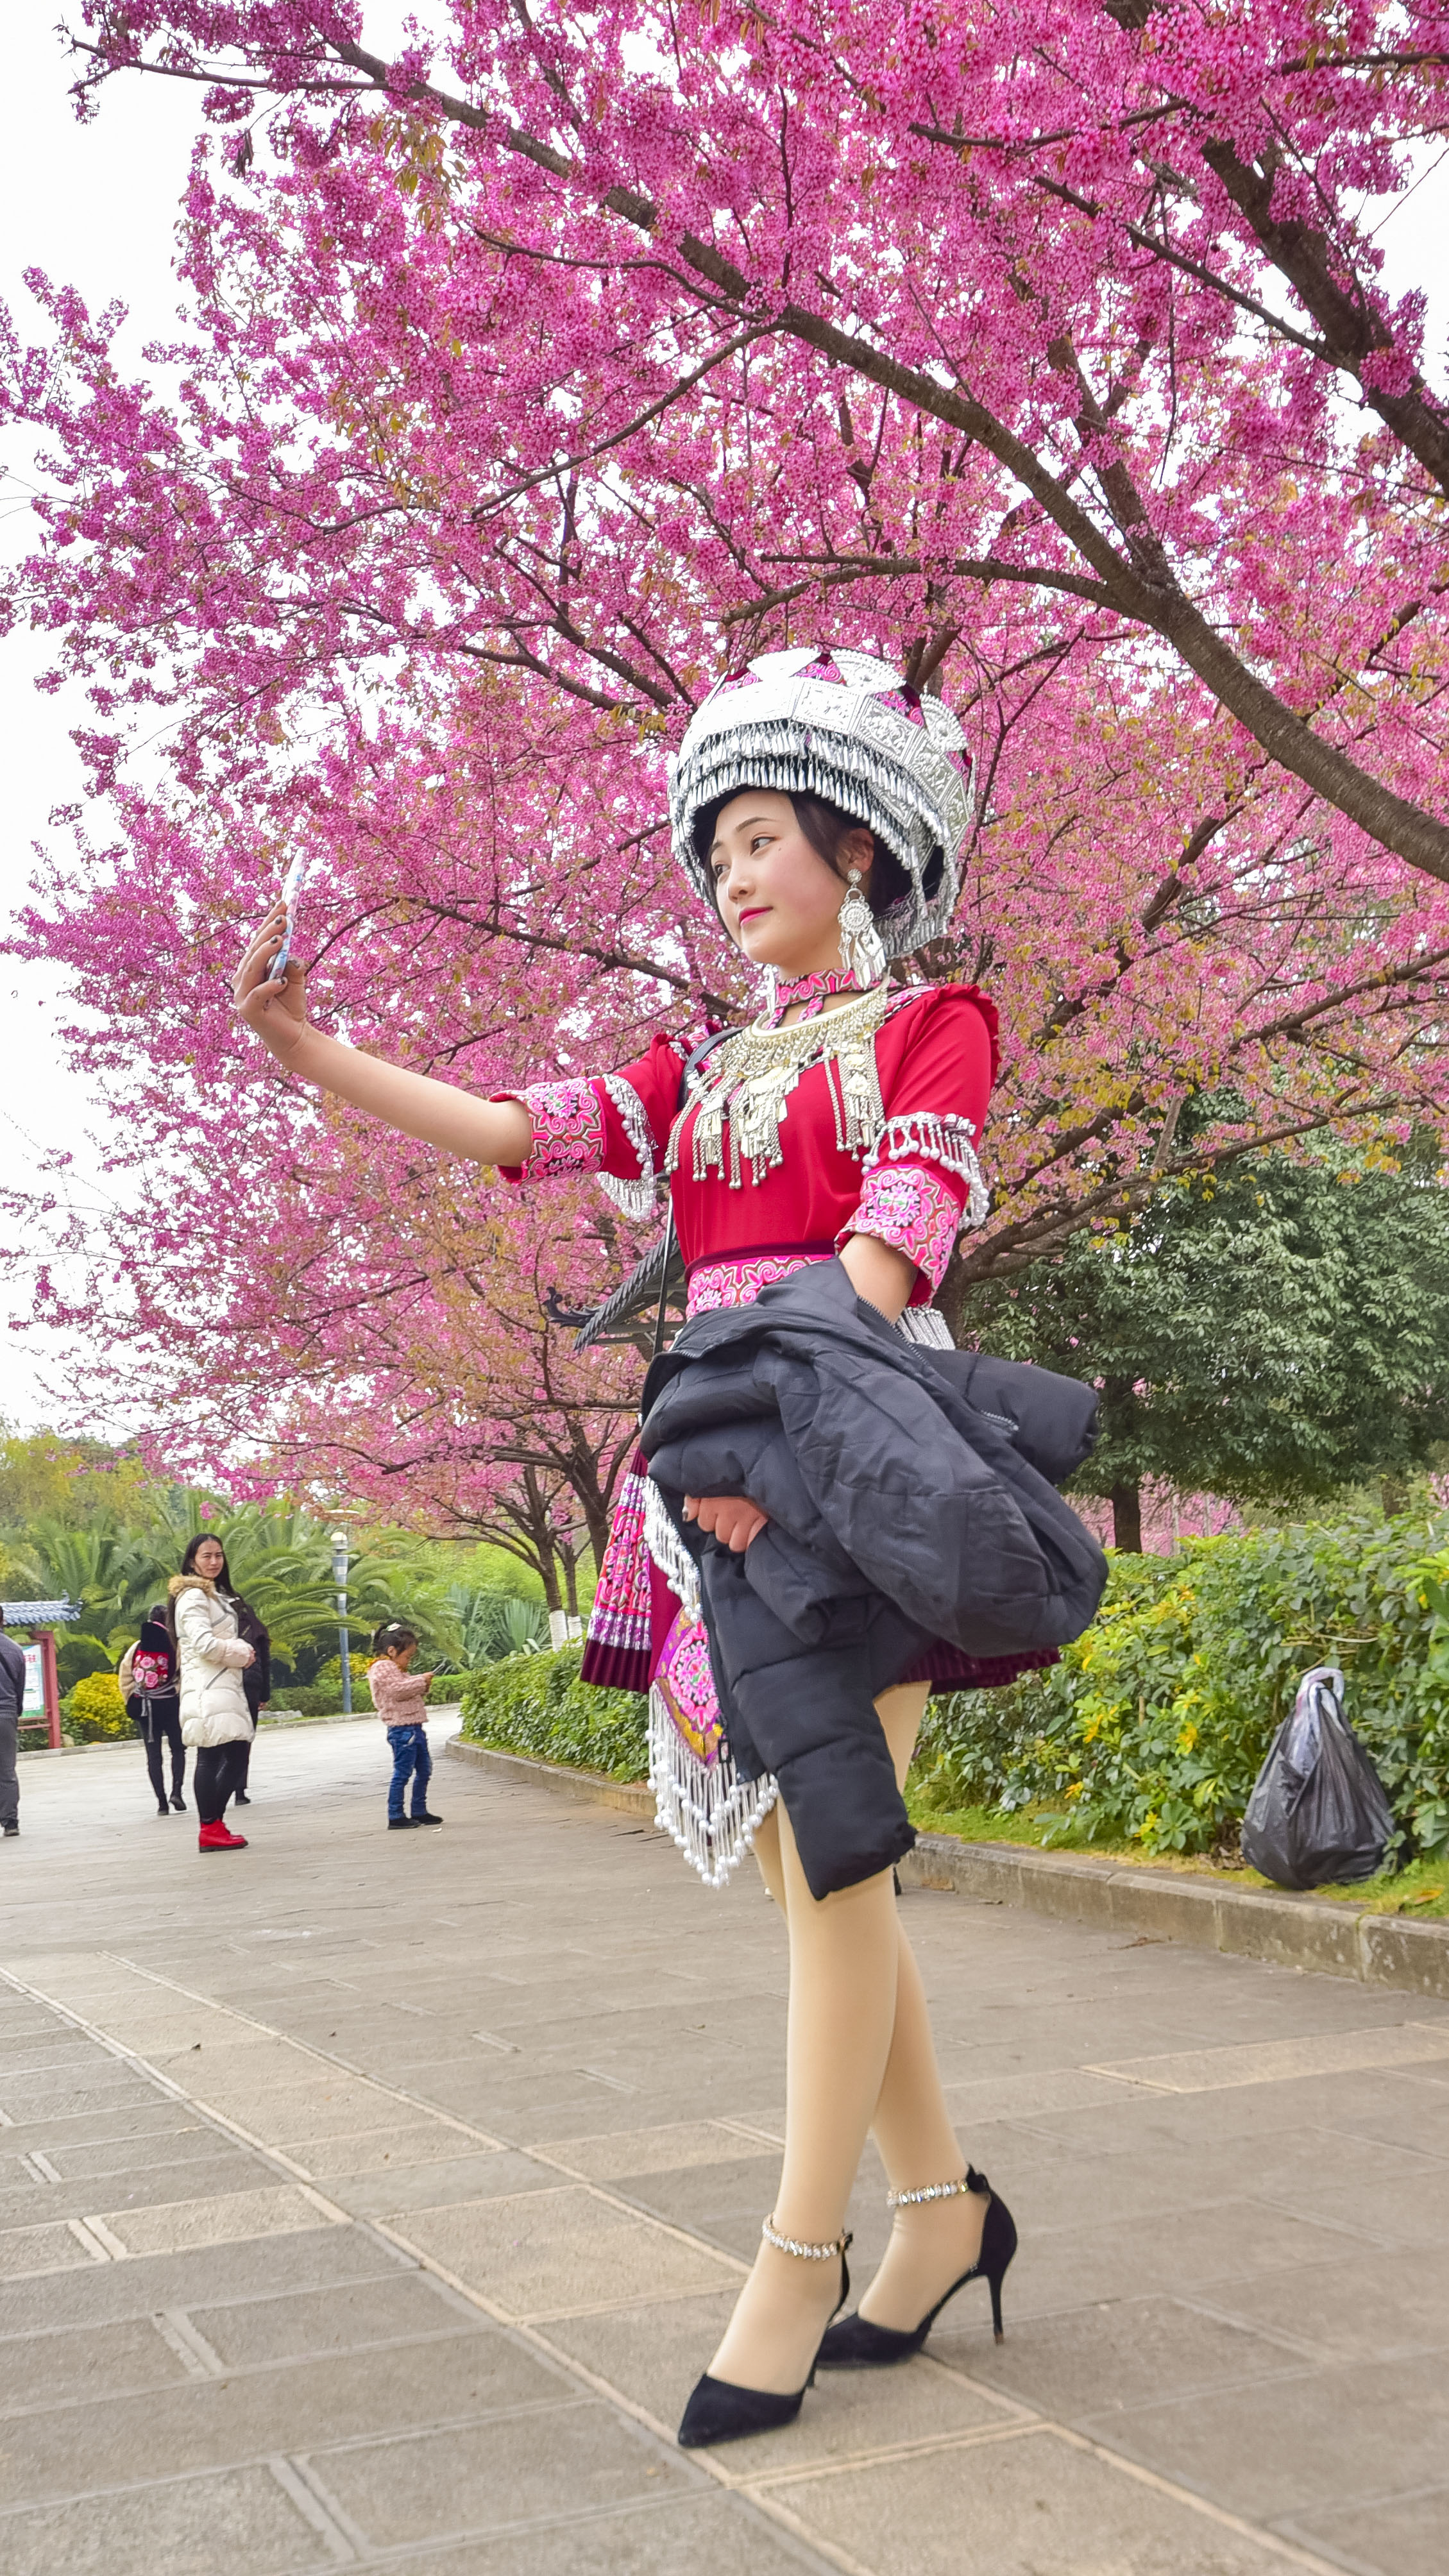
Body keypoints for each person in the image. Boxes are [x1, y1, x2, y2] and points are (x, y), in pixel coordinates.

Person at [235, 644, 1079, 2445]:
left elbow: (895, 1247)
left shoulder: (939, 1024)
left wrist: (774, 1435)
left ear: (857, 847)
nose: (733, 877)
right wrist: (307, 1049)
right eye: (716, 854)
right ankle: (938, 2217)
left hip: (845, 1452)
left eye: (764, 837)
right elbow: (522, 1133)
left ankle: (799, 2251)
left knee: (832, 1854)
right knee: (807, 1860)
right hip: (710, 1458)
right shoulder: (697, 1062)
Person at [169, 1534, 255, 1853]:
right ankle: (210, 1826)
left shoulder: (213, 1594)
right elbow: (205, 1646)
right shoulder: (193, 1596)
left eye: (219, 1555)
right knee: (220, 1755)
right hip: (209, 1686)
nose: (214, 1562)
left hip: (220, 1684)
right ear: (192, 1561)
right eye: (207, 1556)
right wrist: (242, 1651)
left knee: (224, 1753)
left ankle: (214, 1826)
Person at [367, 1622, 443, 1829]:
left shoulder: (396, 1668)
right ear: (392, 1651)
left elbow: (405, 1688)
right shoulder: (382, 1667)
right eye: (407, 1656)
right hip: (402, 1729)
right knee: (403, 1773)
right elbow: (397, 1690)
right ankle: (396, 1814)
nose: (408, 1661)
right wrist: (421, 1680)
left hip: (413, 1727)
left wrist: (422, 1684)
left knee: (424, 1770)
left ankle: (419, 1810)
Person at [119, 1606, 186, 1815]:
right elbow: (184, 1675)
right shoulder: (176, 1646)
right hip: (170, 1705)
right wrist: (177, 1693)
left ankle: (162, 1803)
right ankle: (177, 1791)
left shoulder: (138, 1647)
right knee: (178, 1749)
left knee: (154, 1756)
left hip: (146, 1709)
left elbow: (125, 1677)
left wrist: (133, 1699)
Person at [0, 1613, 26, 1840]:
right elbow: (20, 1689)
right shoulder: (15, 1650)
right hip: (6, 1715)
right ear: (3, 1621)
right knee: (7, 1770)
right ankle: (10, 1822)